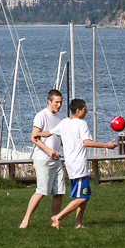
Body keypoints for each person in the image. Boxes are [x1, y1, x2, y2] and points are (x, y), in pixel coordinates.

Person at [49, 97, 117, 229]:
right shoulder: (82, 124)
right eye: (85, 109)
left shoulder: (64, 122)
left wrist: (37, 134)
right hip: (78, 165)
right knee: (84, 197)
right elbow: (87, 142)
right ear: (78, 111)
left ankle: (78, 223)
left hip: (70, 165)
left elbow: (50, 132)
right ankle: (58, 217)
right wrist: (106, 145)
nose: (87, 111)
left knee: (84, 194)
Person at [20, 89, 66, 229]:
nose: (59, 105)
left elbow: (61, 139)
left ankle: (55, 221)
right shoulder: (41, 116)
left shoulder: (61, 117)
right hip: (43, 159)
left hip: (56, 159)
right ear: (49, 101)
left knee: (59, 192)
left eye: (60, 102)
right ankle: (25, 221)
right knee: (41, 191)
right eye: (56, 102)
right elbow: (34, 137)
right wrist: (49, 151)